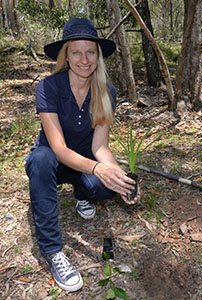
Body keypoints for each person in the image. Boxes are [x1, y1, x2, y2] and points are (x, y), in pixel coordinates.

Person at [25, 17, 140, 292]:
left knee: (106, 186)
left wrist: (121, 178)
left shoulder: (106, 91)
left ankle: (81, 194)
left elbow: (100, 147)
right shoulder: (48, 87)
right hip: (53, 162)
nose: (84, 59)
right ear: (66, 56)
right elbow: (59, 149)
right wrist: (99, 169)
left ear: (98, 55)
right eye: (76, 51)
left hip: (84, 164)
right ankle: (53, 251)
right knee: (40, 159)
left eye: (90, 51)